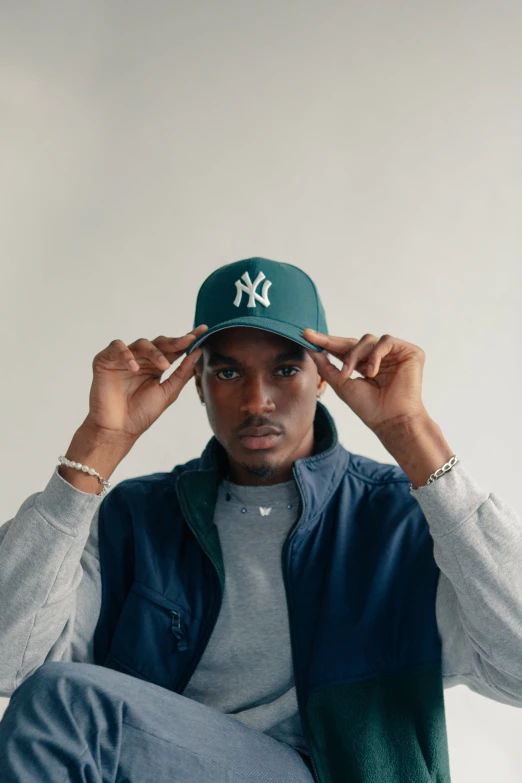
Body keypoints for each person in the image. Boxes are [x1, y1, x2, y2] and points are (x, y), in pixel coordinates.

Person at [0, 256, 521, 783]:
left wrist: (415, 438)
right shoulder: (137, 519)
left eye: (286, 369)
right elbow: (9, 662)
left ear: (323, 378)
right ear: (197, 384)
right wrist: (97, 447)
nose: (256, 401)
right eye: (228, 372)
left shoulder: (397, 521)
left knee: (62, 699)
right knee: (55, 699)